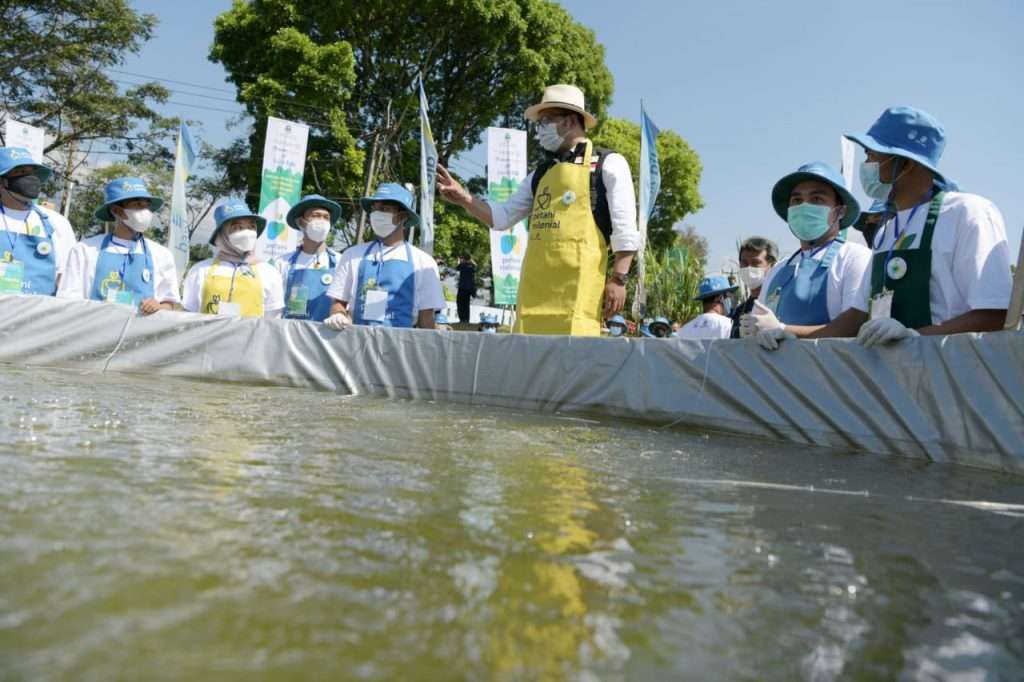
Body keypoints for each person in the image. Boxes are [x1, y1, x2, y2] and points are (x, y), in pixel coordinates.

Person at [436, 84, 641, 336]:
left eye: (546, 121)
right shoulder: (540, 174)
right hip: (534, 293)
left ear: (569, 121)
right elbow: (501, 217)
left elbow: (625, 228)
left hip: (577, 294)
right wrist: (464, 198)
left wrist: (619, 279)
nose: (540, 129)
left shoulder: (608, 163)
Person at [843, 106, 1012, 347]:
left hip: (949, 368)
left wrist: (916, 337)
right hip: (890, 369)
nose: (866, 165)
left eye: (871, 155)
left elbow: (995, 314)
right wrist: (792, 333)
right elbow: (856, 318)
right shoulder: (887, 230)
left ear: (907, 163)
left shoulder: (967, 212)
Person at [740, 162, 871, 350]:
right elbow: (759, 321)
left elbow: (854, 325)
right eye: (797, 200)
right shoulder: (778, 270)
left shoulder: (855, 257)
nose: (804, 206)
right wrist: (752, 330)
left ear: (840, 211)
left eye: (817, 199)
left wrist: (785, 330)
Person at [323, 182, 445, 330]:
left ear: (402, 216)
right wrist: (338, 315)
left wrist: (437, 337)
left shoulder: (424, 262)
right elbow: (338, 302)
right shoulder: (352, 255)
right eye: (374, 209)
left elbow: (426, 319)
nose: (377, 214)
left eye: (385, 209)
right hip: (357, 339)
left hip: (401, 342)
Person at [57, 177, 179, 314]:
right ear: (116, 210)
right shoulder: (84, 250)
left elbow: (169, 303)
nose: (145, 211)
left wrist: (158, 307)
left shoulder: (162, 254)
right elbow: (68, 300)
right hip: (94, 325)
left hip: (141, 327)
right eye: (138, 205)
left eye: (147, 205)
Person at [182, 199, 284, 318]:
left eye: (251, 227)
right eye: (237, 227)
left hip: (252, 331)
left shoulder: (269, 273)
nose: (247, 233)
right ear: (222, 234)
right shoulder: (200, 270)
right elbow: (188, 316)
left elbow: (272, 320)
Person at [0, 146, 76, 296]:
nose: (30, 178)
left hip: (40, 310)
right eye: (20, 172)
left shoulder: (57, 223)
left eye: (32, 172)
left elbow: (67, 279)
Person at [275, 194, 342, 322]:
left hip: (327, 332)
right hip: (290, 331)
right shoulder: (282, 262)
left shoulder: (340, 261)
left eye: (326, 217)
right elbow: (275, 308)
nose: (322, 221)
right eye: (316, 216)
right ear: (301, 222)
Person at [729, 237, 779, 338]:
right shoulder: (740, 311)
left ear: (772, 266)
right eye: (744, 263)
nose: (748, 268)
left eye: (755, 263)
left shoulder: (779, 304)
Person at [455, 253, 477, 324]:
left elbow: (457, 268)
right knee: (466, 305)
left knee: (460, 304)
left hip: (462, 288)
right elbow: (475, 265)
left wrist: (459, 260)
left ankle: (462, 319)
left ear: (464, 259)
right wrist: (471, 260)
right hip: (469, 289)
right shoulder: (472, 266)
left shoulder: (462, 265)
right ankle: (466, 320)